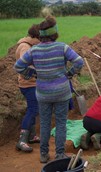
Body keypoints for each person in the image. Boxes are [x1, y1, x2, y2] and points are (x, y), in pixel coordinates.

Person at [14, 15, 84, 163]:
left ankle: (43, 155)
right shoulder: (62, 47)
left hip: (43, 93)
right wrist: (69, 74)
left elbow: (18, 66)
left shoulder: (34, 50)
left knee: (45, 124)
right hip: (62, 93)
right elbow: (79, 61)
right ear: (55, 33)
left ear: (41, 35)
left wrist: (33, 74)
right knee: (60, 124)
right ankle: (59, 154)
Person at [15, 24, 40, 153]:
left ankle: (31, 136)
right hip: (28, 84)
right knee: (33, 109)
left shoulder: (28, 45)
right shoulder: (25, 47)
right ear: (34, 37)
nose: (40, 42)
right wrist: (37, 72)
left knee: (33, 108)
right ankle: (22, 140)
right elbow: (24, 65)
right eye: (39, 39)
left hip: (30, 83)